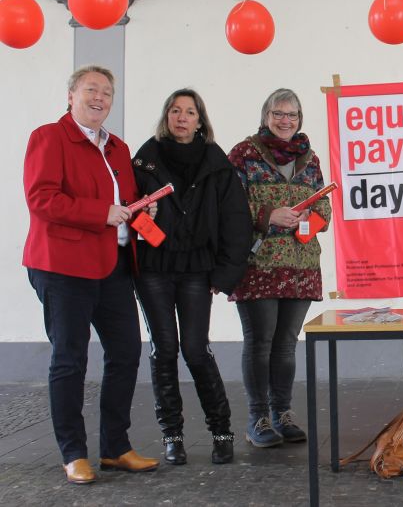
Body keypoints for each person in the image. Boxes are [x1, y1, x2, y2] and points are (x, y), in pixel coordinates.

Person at [23, 66, 159, 484]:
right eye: (91, 90)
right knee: (70, 360)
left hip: (114, 266)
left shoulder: (117, 147)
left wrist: (141, 208)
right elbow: (42, 198)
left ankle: (116, 448)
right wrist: (101, 214)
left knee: (125, 354)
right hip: (62, 268)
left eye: (107, 92)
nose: (100, 97)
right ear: (71, 95)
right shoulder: (48, 137)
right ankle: (73, 453)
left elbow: (122, 199)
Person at [132, 89, 252, 465]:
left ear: (201, 120)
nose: (182, 117)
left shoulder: (217, 163)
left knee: (196, 350)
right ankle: (172, 435)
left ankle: (222, 431)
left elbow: (236, 221)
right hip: (154, 266)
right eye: (175, 110)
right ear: (166, 116)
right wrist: (142, 220)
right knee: (163, 349)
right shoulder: (144, 160)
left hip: (197, 269)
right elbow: (130, 209)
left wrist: (226, 273)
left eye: (190, 112)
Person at [228, 88, 331, 448]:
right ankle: (258, 418)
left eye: (292, 114)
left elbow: (326, 211)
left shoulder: (310, 159)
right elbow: (227, 206)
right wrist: (267, 215)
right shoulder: (244, 154)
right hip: (258, 263)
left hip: (300, 264)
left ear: (300, 119)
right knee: (260, 343)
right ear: (265, 115)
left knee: (286, 345)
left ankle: (282, 414)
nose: (285, 121)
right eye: (278, 113)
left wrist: (308, 218)